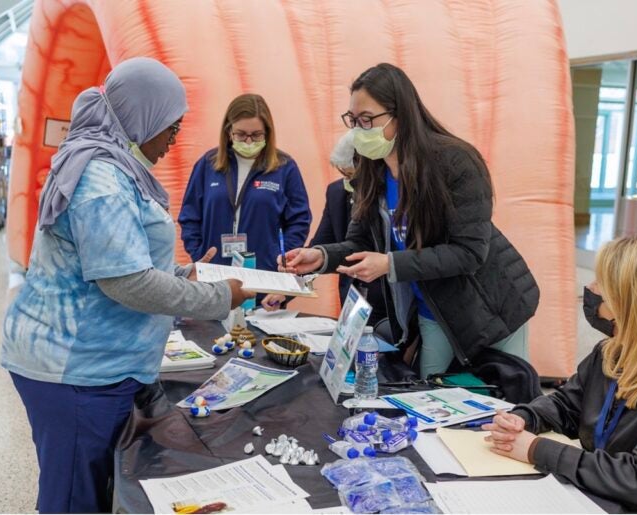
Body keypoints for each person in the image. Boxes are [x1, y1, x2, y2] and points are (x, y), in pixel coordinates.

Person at [0, 58, 253, 513]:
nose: (172, 140)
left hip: (92, 362)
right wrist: (218, 295)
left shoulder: (116, 167)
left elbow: (124, 260)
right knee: (74, 499)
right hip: (75, 369)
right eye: (170, 128)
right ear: (142, 118)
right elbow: (126, 281)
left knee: (91, 489)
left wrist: (183, 276)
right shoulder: (101, 179)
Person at [279, 63, 539, 378]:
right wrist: (320, 257)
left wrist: (390, 263)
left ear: (400, 114)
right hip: (430, 310)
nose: (360, 130)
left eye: (368, 120)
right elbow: (360, 242)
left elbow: (469, 252)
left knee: (501, 398)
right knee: (431, 396)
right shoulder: (372, 169)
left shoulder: (456, 163)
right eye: (354, 120)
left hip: (491, 307)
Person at [484, 236, 637, 513]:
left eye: (600, 282)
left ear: (628, 300)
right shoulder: (609, 354)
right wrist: (523, 418)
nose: (590, 289)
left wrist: (537, 449)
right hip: (591, 496)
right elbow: (567, 405)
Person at [178, 93, 311, 309]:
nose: (248, 141)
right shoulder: (207, 164)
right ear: (228, 132)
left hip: (264, 281)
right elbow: (190, 217)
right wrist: (199, 255)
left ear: (267, 134)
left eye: (256, 135)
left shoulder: (285, 167)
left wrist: (281, 263)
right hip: (213, 280)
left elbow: (299, 221)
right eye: (241, 135)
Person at [308, 131, 387, 326]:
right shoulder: (335, 192)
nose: (348, 181)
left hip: (385, 301)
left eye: (352, 175)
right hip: (352, 298)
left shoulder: (386, 194)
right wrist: (287, 288)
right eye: (344, 175)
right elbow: (320, 244)